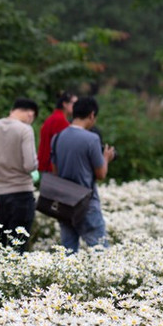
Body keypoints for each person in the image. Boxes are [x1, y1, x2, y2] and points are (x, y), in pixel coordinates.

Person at [50, 97, 116, 253]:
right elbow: (100, 174)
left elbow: (55, 171)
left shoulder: (57, 137)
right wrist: (106, 158)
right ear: (92, 115)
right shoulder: (92, 139)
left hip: (64, 202)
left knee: (68, 252)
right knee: (101, 252)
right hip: (86, 202)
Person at [0, 98, 39, 252]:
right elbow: (30, 165)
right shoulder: (25, 130)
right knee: (17, 246)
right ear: (30, 114)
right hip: (22, 192)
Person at [37, 92, 76, 174]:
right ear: (65, 104)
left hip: (47, 166)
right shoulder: (60, 121)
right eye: (75, 103)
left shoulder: (54, 118)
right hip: (53, 168)